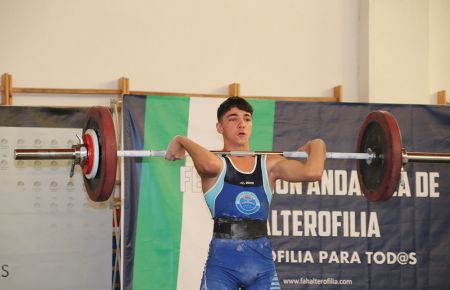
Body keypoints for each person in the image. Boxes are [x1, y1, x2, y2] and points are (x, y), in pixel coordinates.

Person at [165, 96, 326, 290]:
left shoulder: (269, 164)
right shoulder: (217, 163)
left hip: (262, 267)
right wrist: (180, 140)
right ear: (220, 128)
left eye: (247, 118)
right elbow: (208, 164)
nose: (241, 123)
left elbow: (313, 172)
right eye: (233, 118)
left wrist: (317, 144)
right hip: (222, 267)